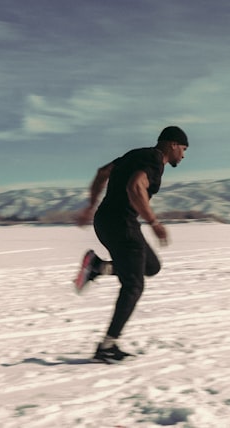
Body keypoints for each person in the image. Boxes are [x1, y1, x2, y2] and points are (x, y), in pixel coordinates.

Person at [72, 125, 189, 363]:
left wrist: (91, 206)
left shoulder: (136, 154)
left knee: (151, 266)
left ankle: (98, 266)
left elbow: (102, 172)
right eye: (183, 149)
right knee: (133, 285)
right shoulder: (155, 161)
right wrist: (154, 222)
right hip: (121, 224)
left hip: (105, 221)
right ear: (172, 144)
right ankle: (107, 345)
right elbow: (135, 187)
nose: (184, 156)